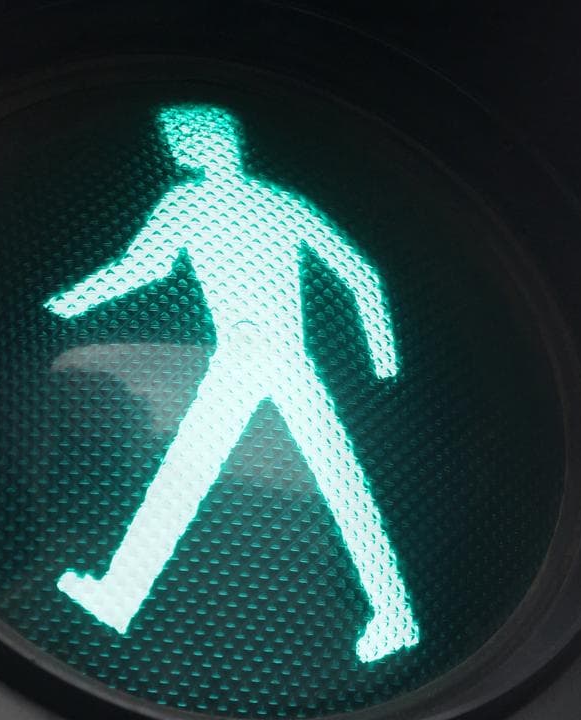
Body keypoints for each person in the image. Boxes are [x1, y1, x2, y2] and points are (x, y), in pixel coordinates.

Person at [47, 104, 419, 663]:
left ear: (200, 145)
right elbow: (359, 275)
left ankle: (119, 596)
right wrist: (383, 361)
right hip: (276, 357)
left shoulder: (191, 203)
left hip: (251, 355)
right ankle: (394, 613)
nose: (180, 153)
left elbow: (141, 268)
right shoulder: (281, 203)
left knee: (207, 477)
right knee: (336, 488)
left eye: (185, 142)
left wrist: (66, 306)